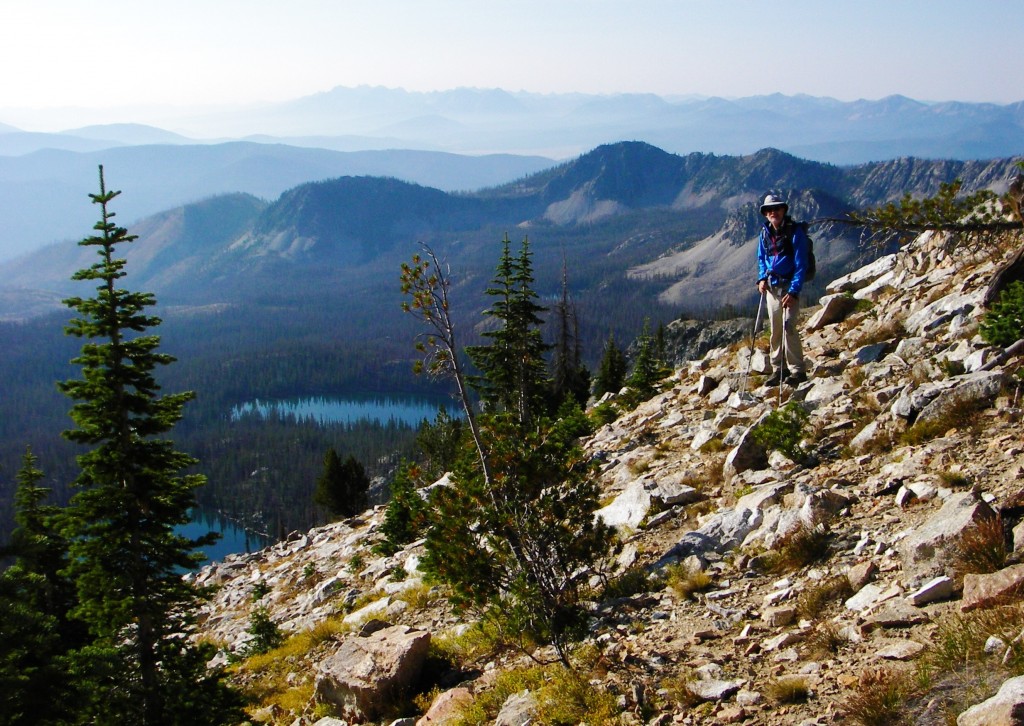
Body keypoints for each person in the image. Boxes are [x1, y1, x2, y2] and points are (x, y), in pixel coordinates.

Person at [756, 193, 809, 385]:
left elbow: (801, 264)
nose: (773, 212)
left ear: (783, 210)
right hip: (772, 287)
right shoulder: (765, 233)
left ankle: (797, 371)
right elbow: (762, 258)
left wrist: (794, 291)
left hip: (788, 287)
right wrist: (762, 278)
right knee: (776, 329)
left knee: (789, 327)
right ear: (765, 214)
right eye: (769, 210)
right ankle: (778, 369)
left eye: (776, 209)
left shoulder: (795, 232)